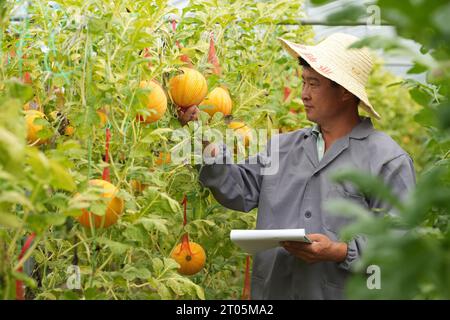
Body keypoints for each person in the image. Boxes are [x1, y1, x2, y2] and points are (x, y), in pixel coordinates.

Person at [177, 33, 416, 299]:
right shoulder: (281, 147)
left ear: (346, 91)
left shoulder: (387, 159)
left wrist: (340, 251)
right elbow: (237, 188)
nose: (304, 94)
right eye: (303, 82)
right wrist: (201, 137)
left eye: (314, 84)